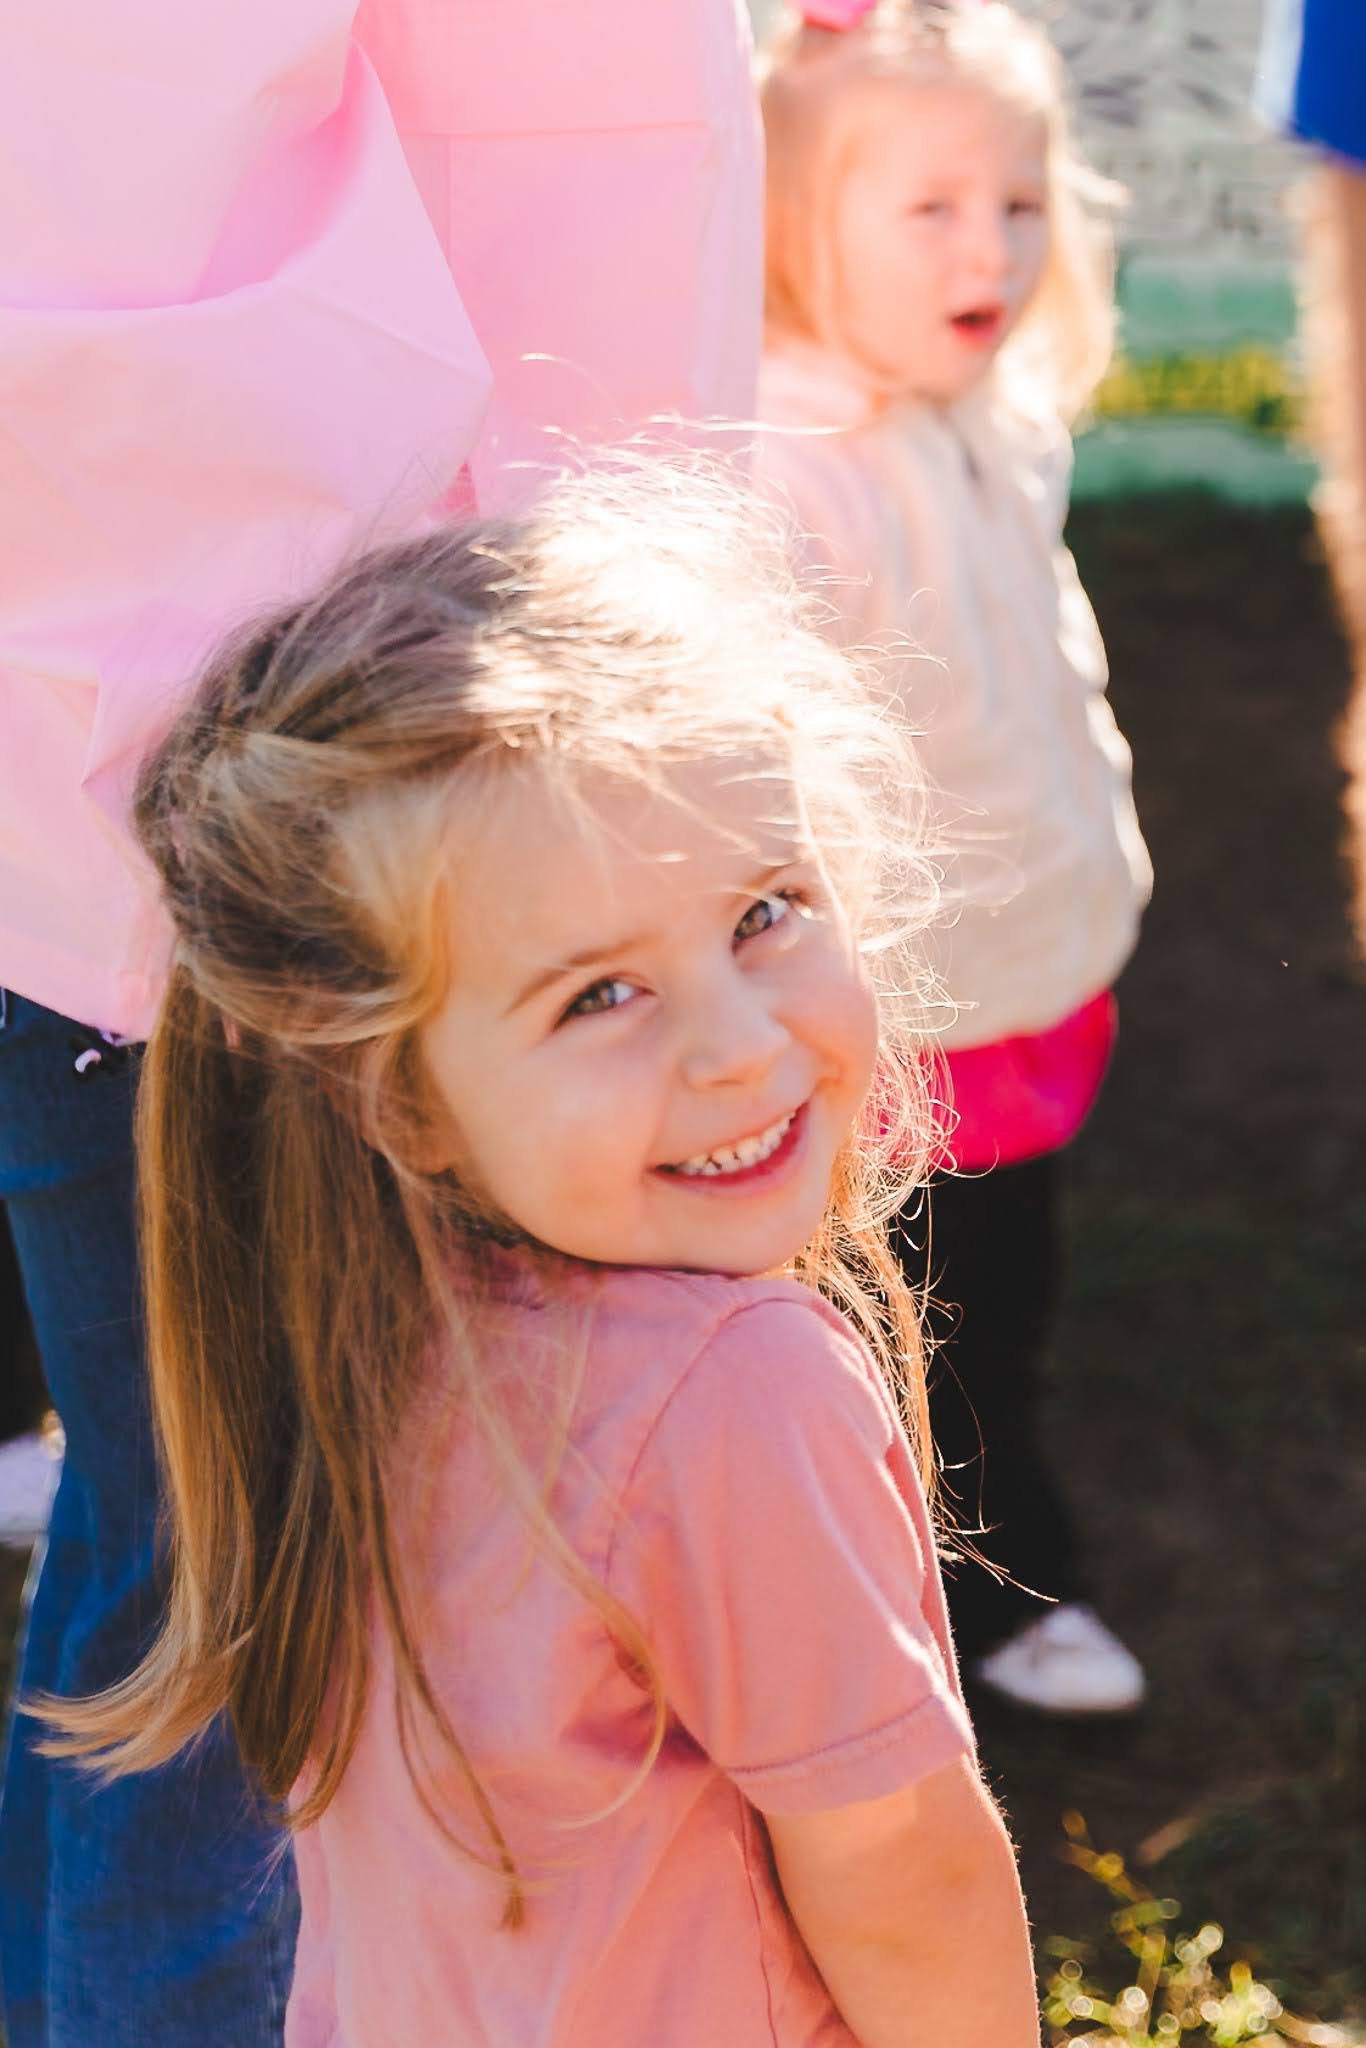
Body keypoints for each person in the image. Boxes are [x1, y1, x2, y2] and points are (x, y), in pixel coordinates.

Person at [39, 466, 1039, 2048]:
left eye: (765, 911)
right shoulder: (740, 1394)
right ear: (403, 1104)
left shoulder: (333, 1321)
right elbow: (897, 1862)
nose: (736, 1045)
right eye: (597, 997)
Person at [0, 5, 760, 2042]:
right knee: (295, 1600)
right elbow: (576, 172)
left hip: (124, 783)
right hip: (349, 795)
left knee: (179, 1536)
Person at [755, 0, 1153, 1715]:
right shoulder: (789, 474)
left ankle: (959, 1563)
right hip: (897, 1019)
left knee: (1003, 1290)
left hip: (1028, 966)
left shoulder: (1003, 417)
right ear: (784, 221)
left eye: (1015, 199)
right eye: (926, 207)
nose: (988, 245)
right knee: (906, 1322)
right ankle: (965, 1601)